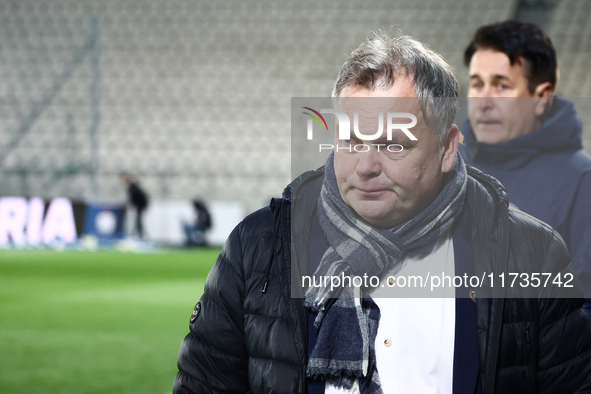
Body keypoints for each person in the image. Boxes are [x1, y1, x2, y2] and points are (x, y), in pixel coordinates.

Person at [173, 32, 591, 393]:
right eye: (352, 140)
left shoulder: (531, 252)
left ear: (447, 148)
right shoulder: (256, 248)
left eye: (393, 143)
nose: (366, 165)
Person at [459, 20, 591, 312]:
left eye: (501, 86)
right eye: (477, 84)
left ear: (541, 97)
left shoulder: (582, 181)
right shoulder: (447, 166)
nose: (484, 101)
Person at [120, 172, 149, 238]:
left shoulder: (133, 188)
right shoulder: (133, 187)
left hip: (140, 205)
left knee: (138, 221)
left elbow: (135, 198)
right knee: (137, 220)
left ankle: (139, 235)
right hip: (139, 205)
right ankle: (138, 234)